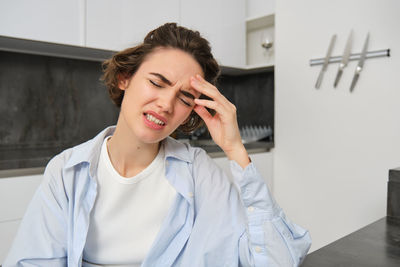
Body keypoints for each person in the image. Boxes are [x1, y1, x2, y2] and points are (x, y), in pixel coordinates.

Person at [4, 23, 311, 267]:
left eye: (184, 98)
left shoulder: (199, 173)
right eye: (157, 82)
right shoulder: (67, 172)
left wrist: (236, 150)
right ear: (125, 78)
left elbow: (277, 261)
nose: (165, 104)